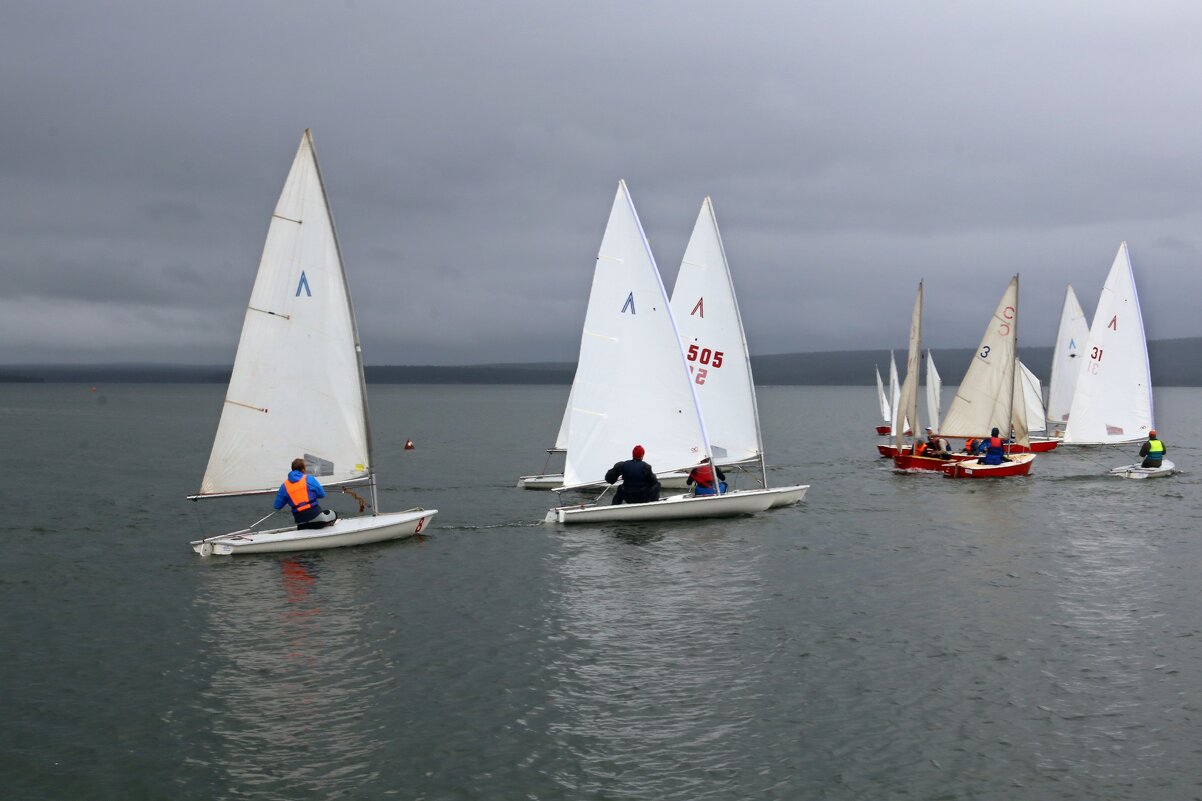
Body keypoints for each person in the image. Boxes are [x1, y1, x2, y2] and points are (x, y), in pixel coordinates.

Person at [273, 458, 337, 529]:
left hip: (300, 522)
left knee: (308, 521)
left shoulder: (284, 486)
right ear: (303, 469)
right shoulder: (309, 479)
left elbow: (277, 506)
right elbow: (322, 494)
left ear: (292, 469)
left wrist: (289, 499)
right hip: (317, 518)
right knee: (333, 514)